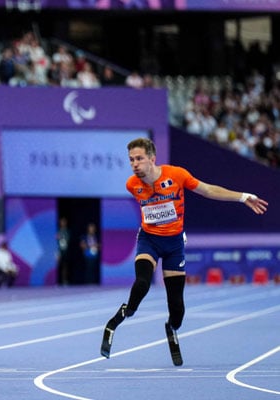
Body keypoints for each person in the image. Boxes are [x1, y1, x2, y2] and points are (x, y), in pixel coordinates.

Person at [101, 137, 268, 365]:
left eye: (139, 159)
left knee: (177, 307)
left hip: (174, 246)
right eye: (131, 160)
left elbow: (208, 190)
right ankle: (121, 315)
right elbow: (152, 209)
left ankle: (171, 327)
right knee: (142, 283)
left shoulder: (177, 175)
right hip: (149, 240)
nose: (135, 164)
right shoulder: (132, 184)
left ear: (152, 158)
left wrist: (242, 197)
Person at [56, 216, 71, 285]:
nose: (63, 223)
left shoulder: (67, 231)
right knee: (58, 265)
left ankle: (64, 280)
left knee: (65, 266)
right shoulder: (57, 231)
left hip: (65, 250)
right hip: (58, 250)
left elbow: (68, 239)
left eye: (64, 222)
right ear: (60, 223)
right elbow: (56, 239)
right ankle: (57, 281)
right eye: (62, 222)